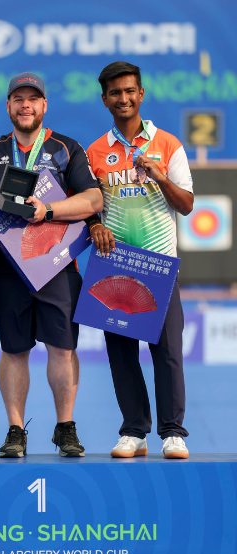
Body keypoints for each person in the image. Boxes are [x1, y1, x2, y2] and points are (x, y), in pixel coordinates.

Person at [0, 72, 103, 458]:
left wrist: (49, 210)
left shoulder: (66, 148)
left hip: (56, 264)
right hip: (6, 266)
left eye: (33, 99)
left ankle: (65, 427)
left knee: (63, 347)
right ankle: (15, 430)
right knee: (13, 349)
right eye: (18, 99)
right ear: (8, 106)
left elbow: (93, 200)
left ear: (44, 105)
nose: (26, 105)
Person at [87, 61, 194, 459]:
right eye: (115, 93)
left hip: (158, 265)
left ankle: (173, 432)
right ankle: (134, 431)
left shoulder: (168, 144)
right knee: (121, 354)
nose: (124, 98)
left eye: (130, 91)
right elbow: (89, 206)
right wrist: (94, 224)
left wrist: (160, 176)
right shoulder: (95, 152)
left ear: (141, 94)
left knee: (167, 353)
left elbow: (186, 205)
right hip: (114, 265)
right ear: (105, 100)